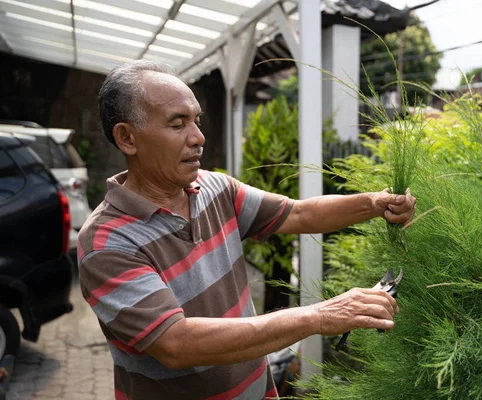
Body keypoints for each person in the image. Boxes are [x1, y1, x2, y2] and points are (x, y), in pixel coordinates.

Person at [78, 60, 416, 400]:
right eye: (177, 124)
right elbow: (177, 343)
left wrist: (374, 203)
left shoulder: (214, 189)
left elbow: (298, 213)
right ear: (127, 137)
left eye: (197, 120)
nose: (198, 137)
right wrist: (320, 315)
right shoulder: (107, 244)